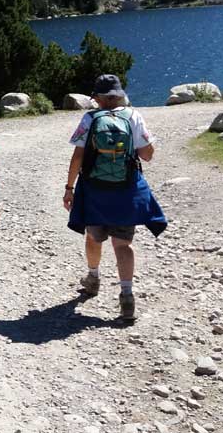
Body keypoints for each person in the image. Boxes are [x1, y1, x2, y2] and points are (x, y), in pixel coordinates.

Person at [63, 74, 167, 321]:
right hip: (125, 190)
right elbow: (148, 155)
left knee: (93, 236)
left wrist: (69, 188)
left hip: (94, 189)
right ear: (119, 94)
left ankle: (93, 277)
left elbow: (77, 157)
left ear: (97, 98)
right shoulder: (133, 117)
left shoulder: (89, 119)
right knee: (123, 244)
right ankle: (127, 295)